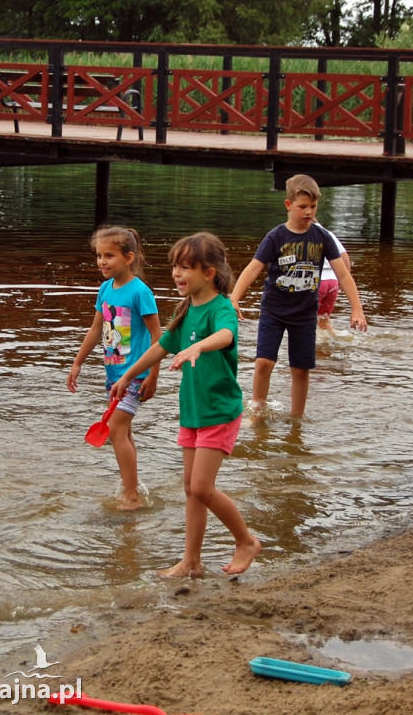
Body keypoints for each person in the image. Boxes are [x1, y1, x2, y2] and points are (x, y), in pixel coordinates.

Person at [110, 232, 261, 577]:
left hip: (219, 410)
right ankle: (191, 561)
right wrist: (128, 376)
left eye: (185, 268)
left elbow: (226, 335)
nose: (177, 274)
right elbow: (159, 348)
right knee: (190, 489)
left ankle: (246, 541)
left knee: (202, 487)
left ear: (209, 272)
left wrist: (198, 347)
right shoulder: (185, 311)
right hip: (193, 410)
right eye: (175, 267)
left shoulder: (221, 308)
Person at [230, 174, 367, 419]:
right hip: (274, 309)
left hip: (305, 313)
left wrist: (357, 309)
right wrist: (234, 298)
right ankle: (257, 410)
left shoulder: (322, 237)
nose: (308, 212)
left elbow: (344, 275)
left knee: (301, 369)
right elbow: (254, 267)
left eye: (313, 207)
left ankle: (297, 420)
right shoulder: (276, 237)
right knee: (264, 362)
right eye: (302, 206)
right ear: (288, 205)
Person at [67, 226, 161, 511]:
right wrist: (77, 362)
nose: (102, 261)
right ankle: (131, 486)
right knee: (125, 432)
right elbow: (96, 329)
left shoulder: (140, 292)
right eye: (99, 255)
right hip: (113, 377)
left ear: (129, 257)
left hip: (136, 376)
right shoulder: (106, 289)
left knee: (115, 430)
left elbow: (160, 338)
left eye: (109, 255)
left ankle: (131, 496)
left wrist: (153, 378)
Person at [316, 223, 351, 333]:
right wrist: (343, 281)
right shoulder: (328, 233)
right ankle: (329, 345)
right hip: (332, 282)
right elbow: (344, 256)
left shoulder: (302, 233)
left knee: (304, 321)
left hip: (316, 282)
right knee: (324, 321)